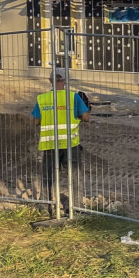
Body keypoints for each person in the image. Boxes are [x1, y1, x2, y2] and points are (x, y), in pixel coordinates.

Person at [33, 69, 90, 212]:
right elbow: (86, 118)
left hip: (51, 143)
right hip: (71, 144)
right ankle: (76, 207)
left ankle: (45, 206)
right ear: (65, 81)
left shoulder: (43, 99)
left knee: (48, 175)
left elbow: (35, 121)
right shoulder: (73, 97)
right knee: (75, 175)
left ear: (50, 81)